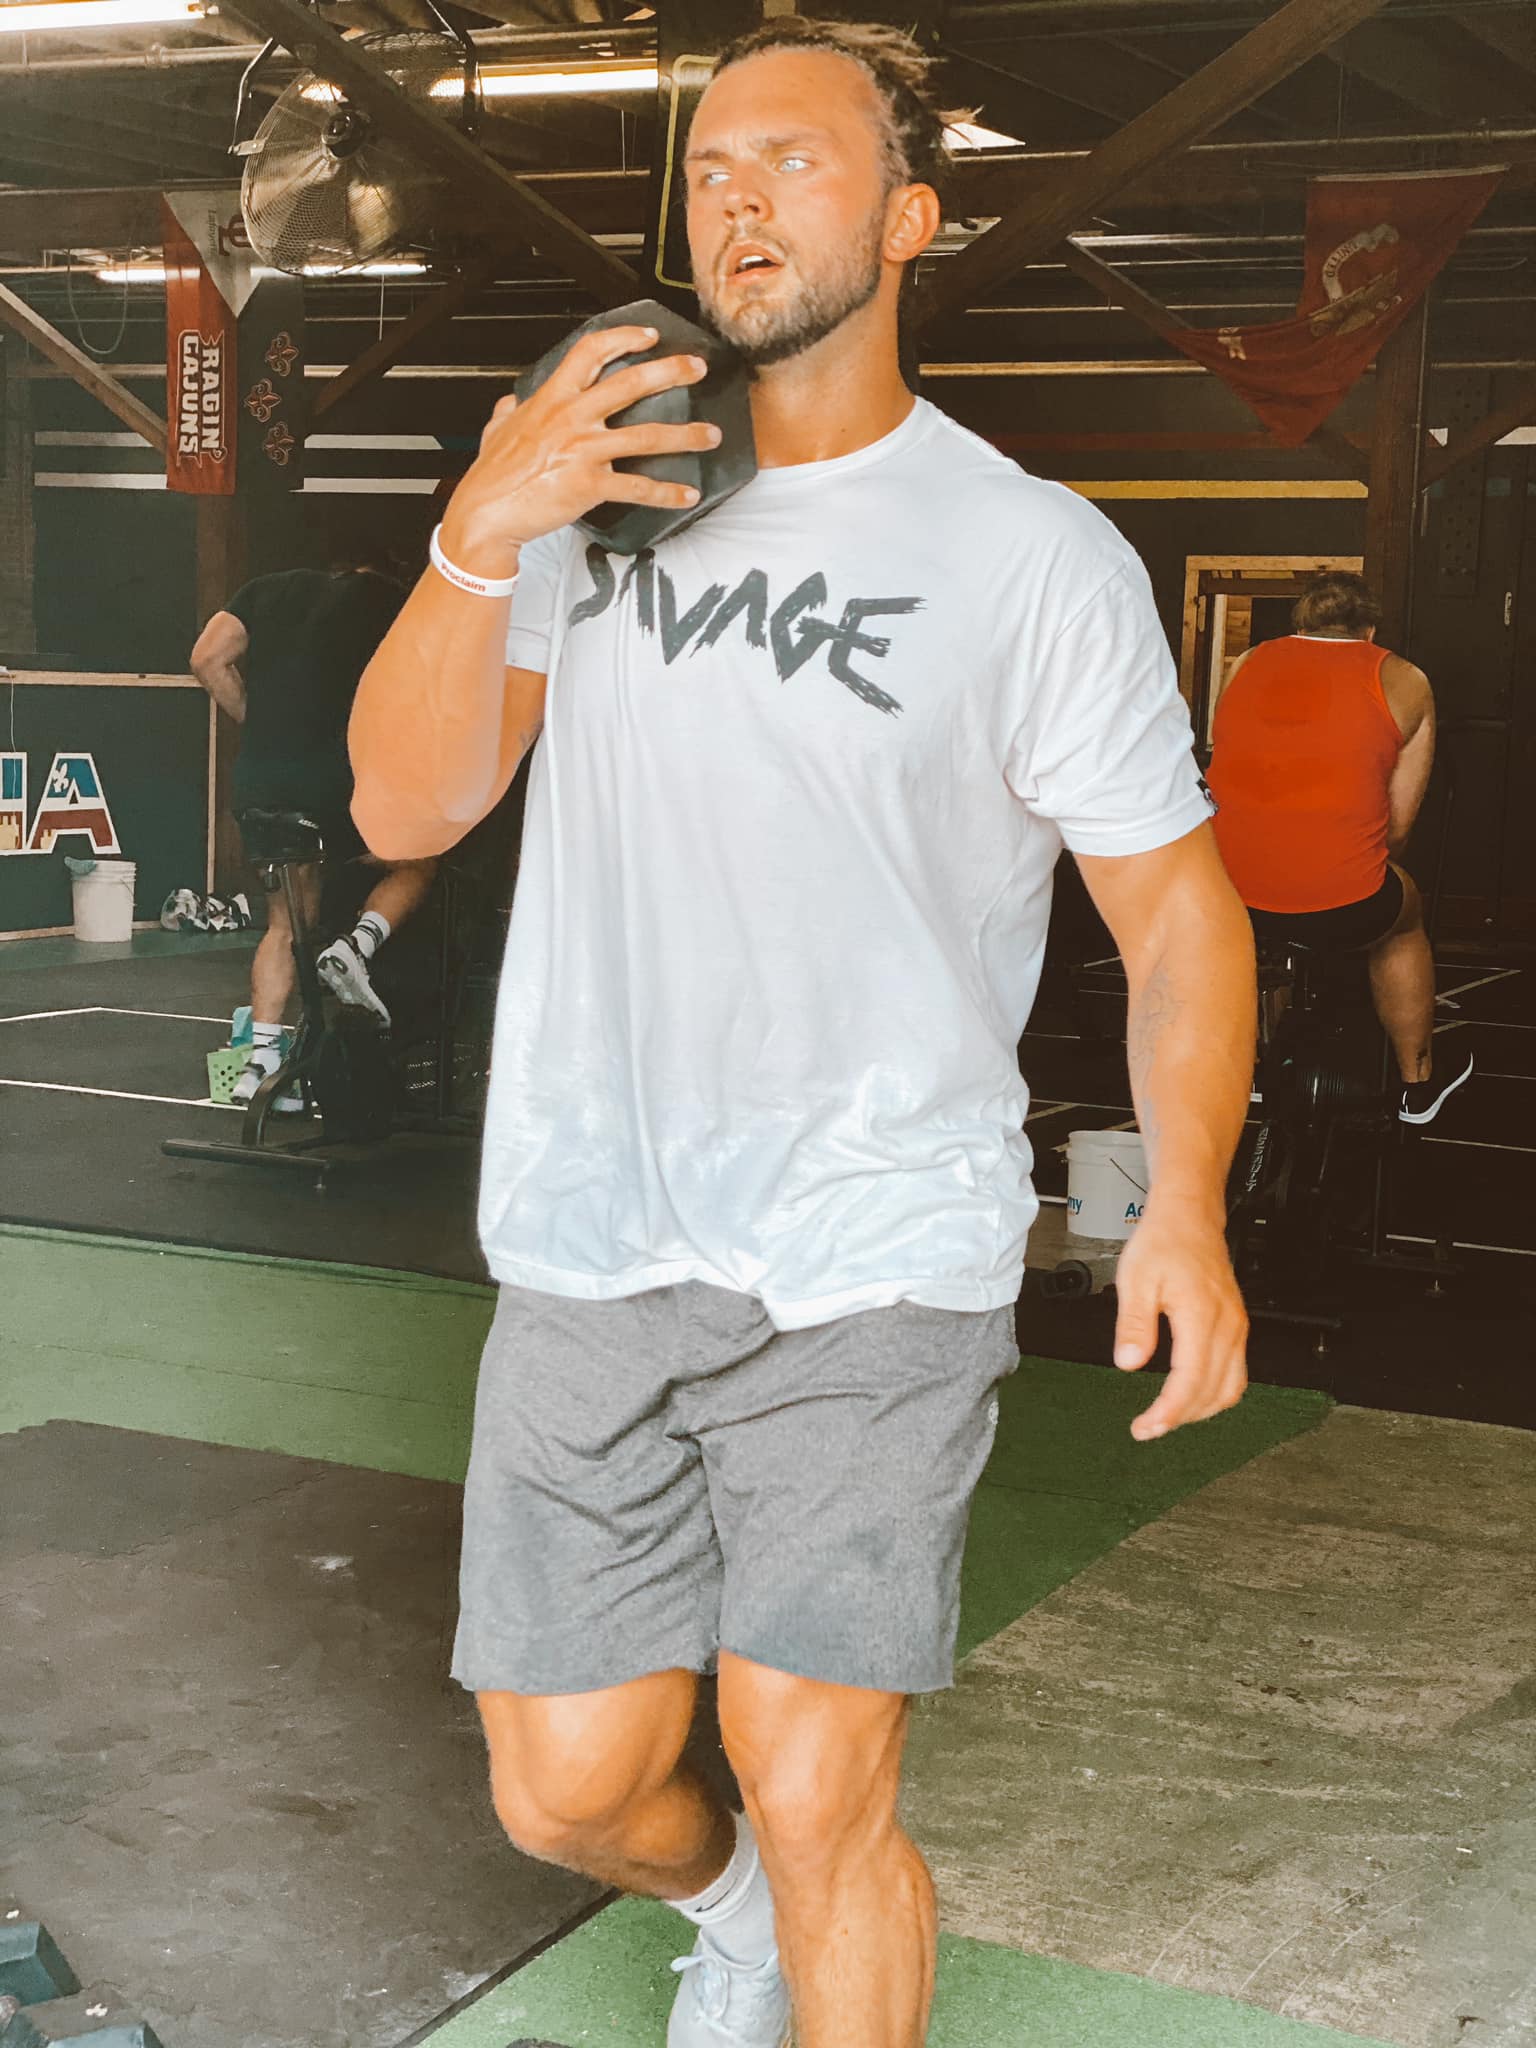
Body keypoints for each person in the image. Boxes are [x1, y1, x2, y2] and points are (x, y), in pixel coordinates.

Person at [348, 20, 1254, 2048]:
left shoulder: (1027, 554)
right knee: (566, 1788)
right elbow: (407, 804)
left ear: (910, 218)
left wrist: (1184, 1203)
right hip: (590, 1235)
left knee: (818, 1769)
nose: (738, 197)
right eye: (709, 169)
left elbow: (1180, 912)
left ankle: (801, 1900)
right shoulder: (596, 497)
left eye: (795, 161)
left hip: (876, 1245)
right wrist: (480, 523)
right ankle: (729, 1908)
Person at [1206, 570, 1473, 1126]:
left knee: (1256, 928)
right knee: (1402, 915)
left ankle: (1248, 1074)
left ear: (1301, 623)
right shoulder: (1404, 678)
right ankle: (1418, 1085)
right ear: (1369, 629)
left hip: (1225, 896)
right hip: (1346, 907)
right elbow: (1396, 831)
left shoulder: (1245, 663)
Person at [191, 549, 438, 1105]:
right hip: (330, 784)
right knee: (421, 860)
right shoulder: (386, 600)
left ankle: (260, 1065)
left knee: (284, 925)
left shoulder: (265, 587)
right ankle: (357, 946)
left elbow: (206, 659)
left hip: (258, 784)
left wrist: (261, 725)